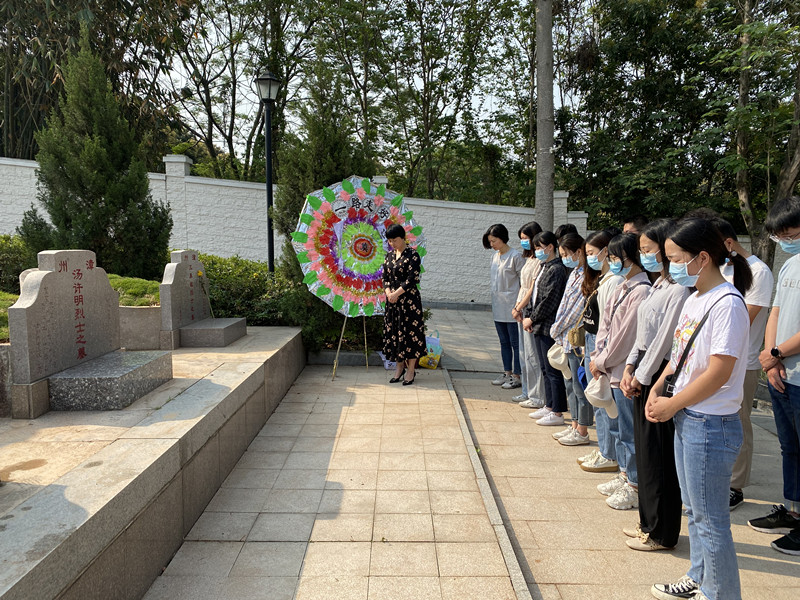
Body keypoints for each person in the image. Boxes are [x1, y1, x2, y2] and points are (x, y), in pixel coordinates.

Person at [648, 217, 752, 600]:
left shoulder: (728, 303)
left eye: (676, 258)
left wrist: (672, 403)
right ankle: (699, 578)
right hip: (688, 417)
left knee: (711, 522)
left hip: (710, 424)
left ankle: (719, 593)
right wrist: (658, 388)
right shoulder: (695, 298)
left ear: (702, 258)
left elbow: (720, 370)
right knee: (695, 512)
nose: (671, 266)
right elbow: (680, 357)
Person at [620, 219, 689, 551]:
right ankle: (647, 522)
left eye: (648, 250)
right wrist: (630, 366)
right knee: (646, 452)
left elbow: (664, 341)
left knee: (659, 455)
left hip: (659, 374)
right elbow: (642, 333)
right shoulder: (659, 284)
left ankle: (661, 532)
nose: (643, 255)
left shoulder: (679, 289)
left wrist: (642, 377)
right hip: (643, 370)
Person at [750, 195, 800, 556]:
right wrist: (771, 358)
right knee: (789, 448)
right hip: (782, 371)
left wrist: (778, 354)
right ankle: (794, 511)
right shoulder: (788, 265)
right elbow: (776, 312)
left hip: (795, 371)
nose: (784, 238)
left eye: (790, 232)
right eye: (779, 234)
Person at [713, 216, 773, 510]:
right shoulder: (721, 268)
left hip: (743, 362)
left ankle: (735, 485)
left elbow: (743, 319)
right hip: (713, 358)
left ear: (728, 243)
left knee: (738, 423)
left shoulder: (758, 272)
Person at [590, 233, 651, 510]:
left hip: (622, 371)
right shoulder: (621, 287)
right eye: (611, 258)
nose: (612, 263)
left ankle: (636, 484)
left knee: (629, 431)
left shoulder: (641, 291)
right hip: (608, 367)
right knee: (617, 428)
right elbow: (605, 327)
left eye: (617, 258)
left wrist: (602, 361)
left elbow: (625, 337)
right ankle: (625, 474)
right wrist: (597, 357)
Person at [578, 229, 624, 473]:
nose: (590, 258)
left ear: (607, 252)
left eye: (593, 253)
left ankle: (610, 454)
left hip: (601, 344)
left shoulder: (615, 281)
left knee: (604, 400)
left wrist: (599, 356)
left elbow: (610, 323)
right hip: (593, 340)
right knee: (597, 397)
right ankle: (605, 449)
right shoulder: (603, 278)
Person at [549, 232, 592, 445]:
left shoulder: (586, 275)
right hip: (565, 338)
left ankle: (582, 430)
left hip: (575, 340)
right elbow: (564, 304)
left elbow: (576, 310)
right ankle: (574, 425)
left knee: (579, 387)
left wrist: (556, 328)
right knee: (570, 385)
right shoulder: (574, 272)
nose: (565, 257)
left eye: (567, 253)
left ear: (578, 252)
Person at [523, 231, 568, 425]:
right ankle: (549, 405)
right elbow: (535, 294)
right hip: (538, 324)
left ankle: (557, 411)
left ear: (551, 247)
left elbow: (549, 299)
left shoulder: (556, 269)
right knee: (544, 368)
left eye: (540, 247)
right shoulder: (544, 266)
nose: (537, 251)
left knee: (552, 370)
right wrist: (529, 315)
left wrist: (532, 318)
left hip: (547, 324)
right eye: (536, 248)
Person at [382, 223, 427, 385]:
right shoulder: (388, 256)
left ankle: (411, 370)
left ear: (403, 238)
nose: (392, 243)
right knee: (395, 333)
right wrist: (388, 293)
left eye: (394, 240)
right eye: (389, 241)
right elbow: (385, 278)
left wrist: (395, 293)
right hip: (392, 303)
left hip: (409, 302)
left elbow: (412, 279)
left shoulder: (413, 255)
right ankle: (399, 367)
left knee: (410, 335)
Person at [483, 224, 525, 389]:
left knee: (515, 342)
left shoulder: (515, 256)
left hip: (512, 305)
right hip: (498, 305)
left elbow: (523, 282)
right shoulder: (494, 257)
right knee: (503, 342)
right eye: (490, 242)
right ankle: (507, 372)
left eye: (494, 241)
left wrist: (519, 304)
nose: (492, 244)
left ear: (502, 238)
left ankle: (517, 374)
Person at [512, 221, 546, 407]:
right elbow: (522, 286)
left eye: (526, 238)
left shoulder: (540, 261)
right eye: (522, 239)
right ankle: (526, 390)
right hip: (522, 308)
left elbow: (532, 288)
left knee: (533, 355)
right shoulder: (529, 259)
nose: (524, 242)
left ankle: (537, 396)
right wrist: (517, 307)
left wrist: (520, 307)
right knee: (524, 355)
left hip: (530, 310)